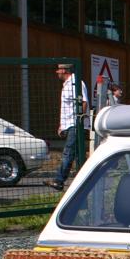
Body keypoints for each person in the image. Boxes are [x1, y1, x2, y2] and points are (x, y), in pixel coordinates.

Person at [44, 63, 89, 191]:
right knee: (78, 154)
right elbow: (67, 108)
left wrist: (79, 121)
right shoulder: (68, 85)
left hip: (75, 124)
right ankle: (88, 178)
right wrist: (62, 125)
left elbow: (84, 102)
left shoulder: (76, 83)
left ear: (64, 70)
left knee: (68, 152)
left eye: (58, 70)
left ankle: (59, 181)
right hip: (70, 124)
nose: (57, 72)